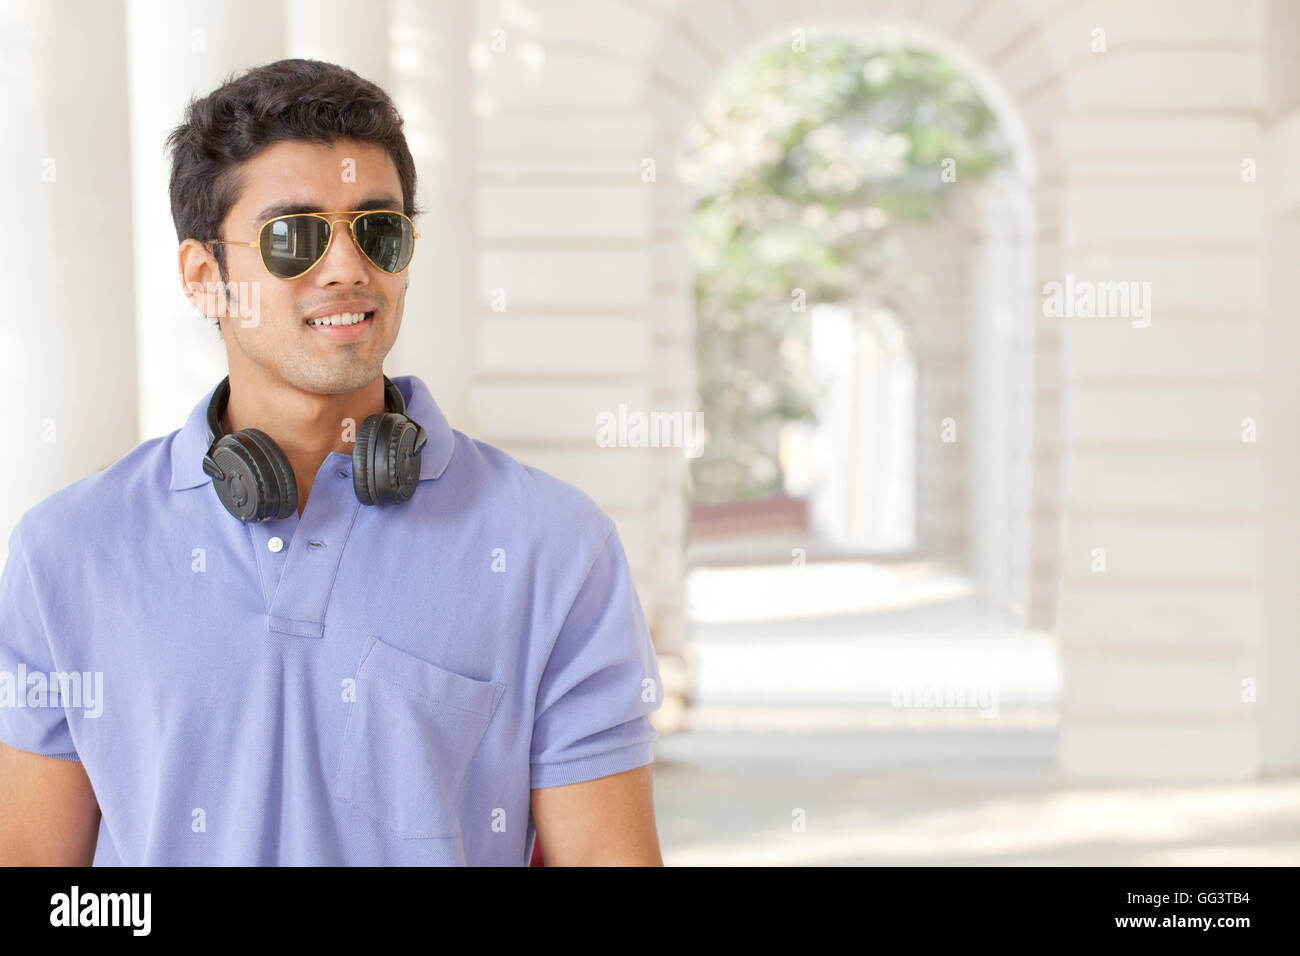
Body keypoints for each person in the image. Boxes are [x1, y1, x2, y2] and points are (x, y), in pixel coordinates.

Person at [0, 58, 663, 866]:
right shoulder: (67, 551)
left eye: (378, 229)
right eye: (293, 237)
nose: (348, 268)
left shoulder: (553, 548)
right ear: (206, 278)